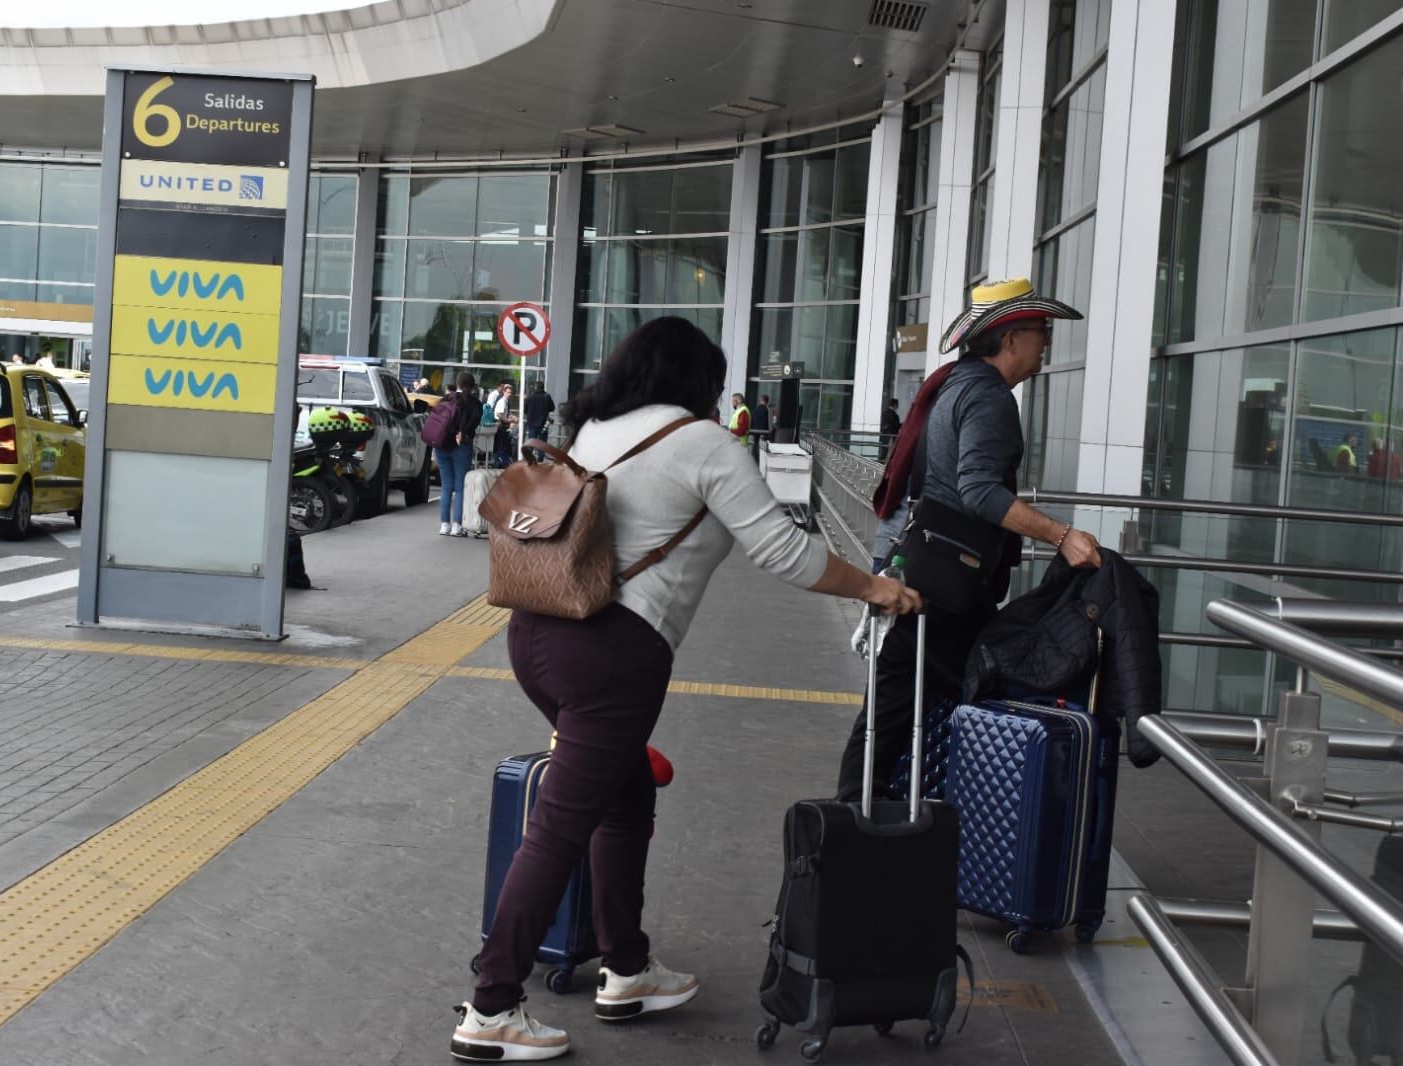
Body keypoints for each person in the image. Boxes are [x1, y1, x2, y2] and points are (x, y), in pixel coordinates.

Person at [452, 316, 920, 1063]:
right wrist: (873, 586)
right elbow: (779, 548)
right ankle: (492, 1007)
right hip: (610, 655)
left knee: (625, 793)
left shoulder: (595, 429)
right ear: (697, 380)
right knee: (562, 826)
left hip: (536, 633)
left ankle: (628, 969)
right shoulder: (703, 441)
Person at [837, 278, 1103, 802]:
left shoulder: (956, 384)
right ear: (1010, 339)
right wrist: (1062, 535)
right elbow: (979, 491)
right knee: (992, 688)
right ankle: (976, 819)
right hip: (950, 579)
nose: (1045, 342)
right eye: (1040, 332)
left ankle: (862, 806)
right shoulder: (989, 398)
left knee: (894, 700)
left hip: (929, 564)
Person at [436, 373, 483, 537]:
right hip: (462, 446)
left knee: (446, 485)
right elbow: (473, 424)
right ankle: (457, 525)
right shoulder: (476, 404)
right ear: (473, 386)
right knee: (460, 487)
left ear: (457, 383)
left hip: (442, 446)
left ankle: (444, 525)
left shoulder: (445, 400)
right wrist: (462, 433)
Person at [524, 379, 555, 444]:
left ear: (535, 387)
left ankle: (529, 454)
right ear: (543, 387)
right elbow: (552, 408)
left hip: (531, 424)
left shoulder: (530, 396)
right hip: (543, 424)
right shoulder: (547, 396)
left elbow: (525, 410)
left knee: (531, 444)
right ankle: (540, 454)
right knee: (542, 445)